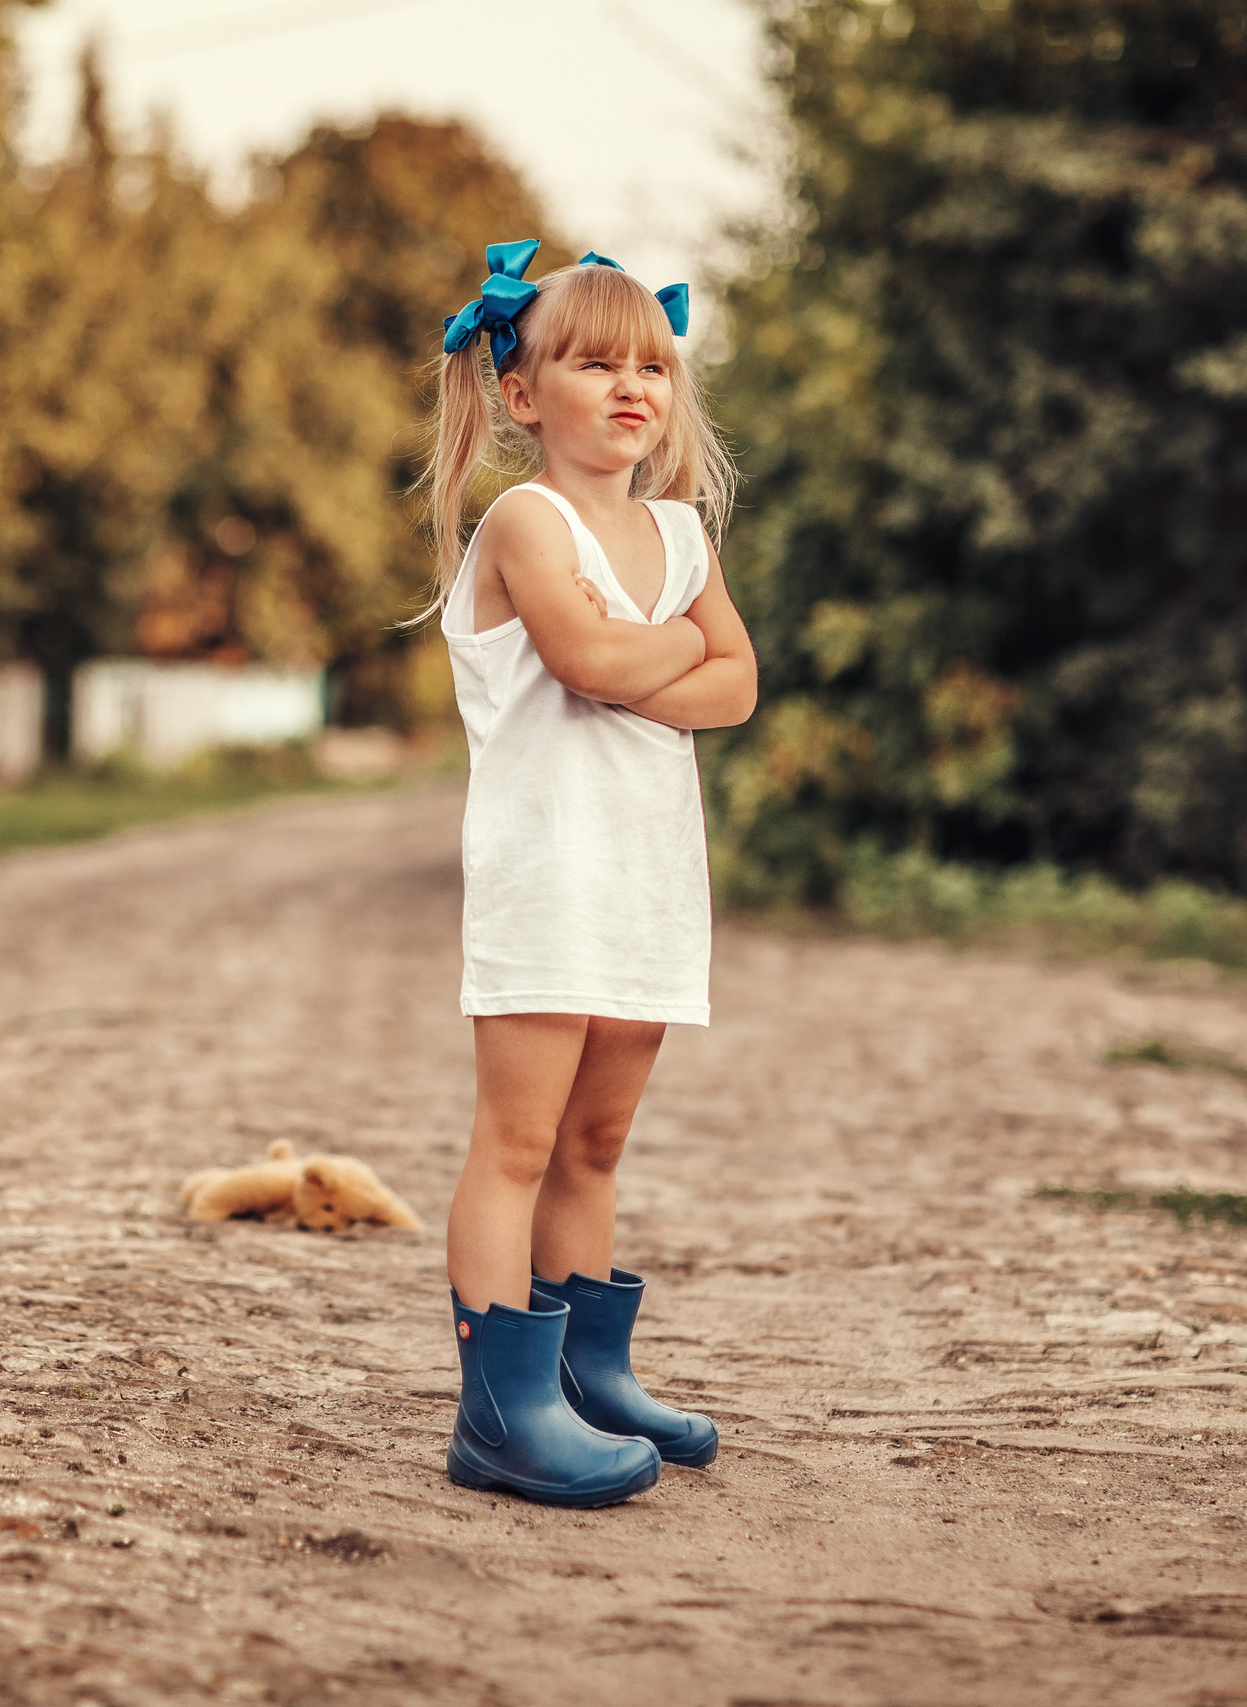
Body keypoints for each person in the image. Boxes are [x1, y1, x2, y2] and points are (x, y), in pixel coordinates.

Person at [419, 241, 756, 1507]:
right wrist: (665, 651)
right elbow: (589, 665)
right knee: (518, 1140)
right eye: (595, 363)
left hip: (648, 879)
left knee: (597, 1142)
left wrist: (638, 652)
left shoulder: (677, 532)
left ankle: (587, 1377)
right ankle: (500, 1413)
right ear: (521, 394)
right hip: (548, 874)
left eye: (650, 367)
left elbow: (739, 684)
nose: (631, 387)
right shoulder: (526, 522)